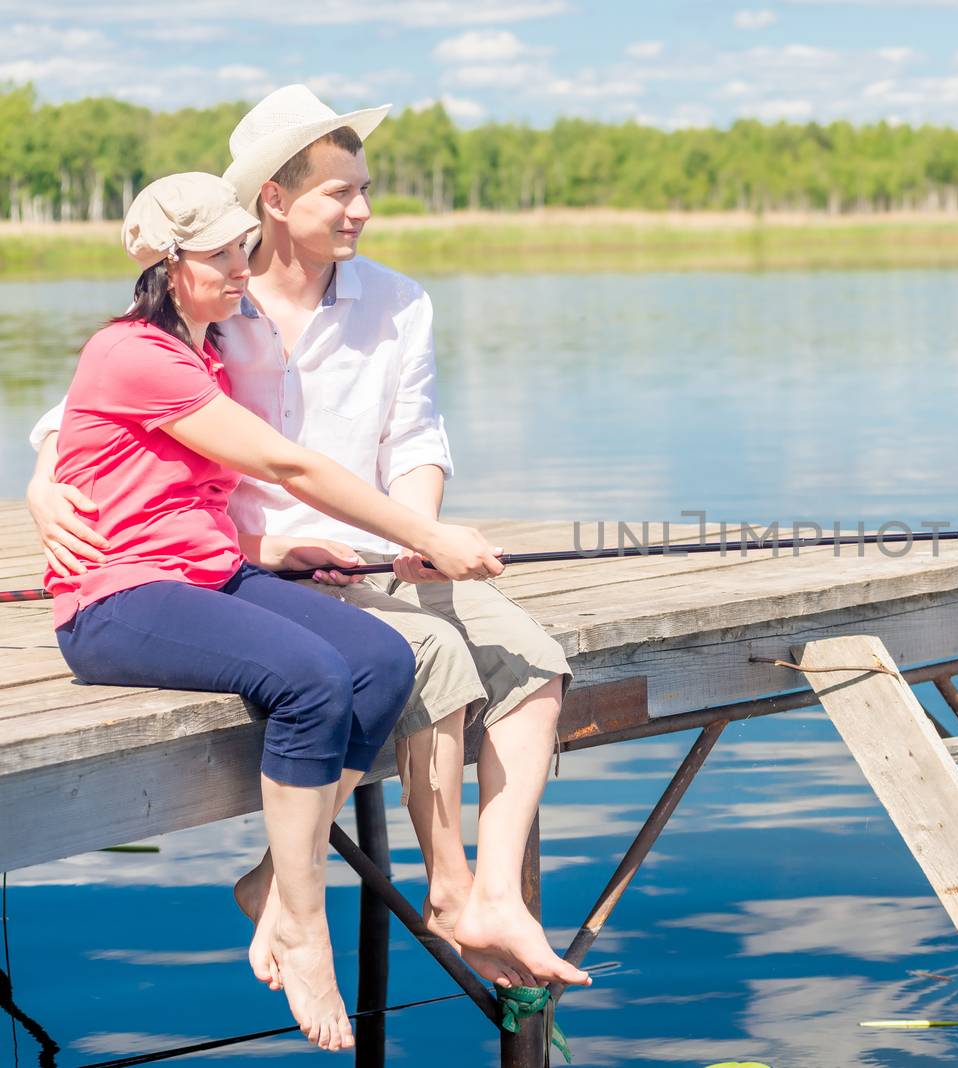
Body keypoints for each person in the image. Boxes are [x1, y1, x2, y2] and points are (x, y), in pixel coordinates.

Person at [26, 86, 591, 994]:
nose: (362, 209)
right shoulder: (211, 304)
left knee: (530, 659)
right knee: (427, 657)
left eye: (364, 188)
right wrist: (44, 482)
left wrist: (422, 530)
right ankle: (423, 887)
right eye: (341, 192)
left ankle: (491, 892)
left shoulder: (396, 304)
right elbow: (86, 412)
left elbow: (415, 436)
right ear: (275, 202)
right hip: (260, 566)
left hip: (379, 546)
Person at [50, 172, 507, 1050]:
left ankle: (276, 880)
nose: (240, 266)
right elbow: (289, 469)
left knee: (378, 659)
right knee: (308, 678)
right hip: (117, 601)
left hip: (206, 575)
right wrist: (426, 532)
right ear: (172, 265)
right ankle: (304, 917)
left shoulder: (204, 350)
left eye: (239, 247)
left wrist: (273, 553)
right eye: (220, 254)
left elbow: (172, 499)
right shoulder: (134, 353)